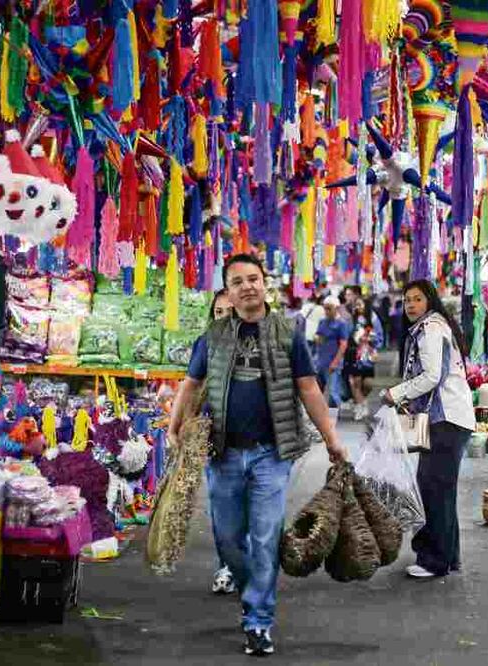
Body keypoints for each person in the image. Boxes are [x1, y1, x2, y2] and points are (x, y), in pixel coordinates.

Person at [168, 254, 348, 657]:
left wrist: (332, 439)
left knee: (265, 537)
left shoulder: (288, 333)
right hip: (223, 453)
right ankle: (253, 587)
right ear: (228, 293)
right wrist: (175, 424)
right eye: (237, 282)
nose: (247, 286)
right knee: (229, 540)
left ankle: (258, 620)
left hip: (272, 454)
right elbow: (191, 384)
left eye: (253, 279)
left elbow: (309, 389)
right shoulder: (213, 336)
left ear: (265, 284)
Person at [383, 279, 476, 579]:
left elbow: (432, 375)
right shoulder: (433, 327)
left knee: (433, 489)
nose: (411, 305)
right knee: (440, 490)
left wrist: (397, 393)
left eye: (417, 299)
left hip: (446, 420)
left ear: (430, 301)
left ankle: (434, 561)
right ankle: (449, 557)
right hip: (449, 420)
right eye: (407, 300)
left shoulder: (431, 328)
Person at [203, 290, 237, 596]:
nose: (223, 318)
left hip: (254, 444)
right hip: (215, 442)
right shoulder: (205, 346)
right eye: (218, 312)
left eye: (230, 311)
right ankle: (228, 565)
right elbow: (191, 388)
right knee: (221, 509)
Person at [345, 297, 383, 421]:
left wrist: (370, 340)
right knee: (355, 382)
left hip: (367, 356)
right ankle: (361, 405)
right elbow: (346, 335)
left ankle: (361, 401)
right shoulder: (351, 318)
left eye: (360, 304)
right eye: (356, 305)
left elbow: (379, 336)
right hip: (353, 354)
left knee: (367, 384)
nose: (357, 307)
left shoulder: (373, 317)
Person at [314, 295, 350, 408]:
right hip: (321, 361)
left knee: (333, 391)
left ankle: (334, 414)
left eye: (329, 309)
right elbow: (319, 338)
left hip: (333, 361)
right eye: (325, 308)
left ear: (336, 308)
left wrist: (335, 362)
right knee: (318, 390)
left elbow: (343, 345)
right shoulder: (322, 322)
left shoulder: (341, 324)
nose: (326, 311)